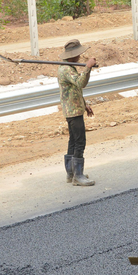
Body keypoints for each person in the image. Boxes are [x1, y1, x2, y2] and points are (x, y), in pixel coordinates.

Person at [58, 39, 97, 186]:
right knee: (80, 141)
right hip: (73, 112)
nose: (80, 56)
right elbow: (81, 83)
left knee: (73, 141)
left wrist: (85, 104)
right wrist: (87, 68)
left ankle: (71, 174)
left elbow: (74, 90)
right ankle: (78, 176)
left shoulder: (68, 67)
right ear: (72, 56)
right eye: (78, 54)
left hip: (74, 108)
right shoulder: (66, 70)